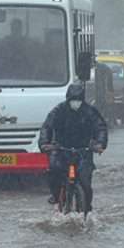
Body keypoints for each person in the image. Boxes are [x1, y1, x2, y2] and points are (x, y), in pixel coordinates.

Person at [39, 82, 108, 211]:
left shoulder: (90, 111)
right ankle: (56, 196)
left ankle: (86, 207)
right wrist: (44, 143)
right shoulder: (59, 110)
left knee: (85, 182)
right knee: (53, 171)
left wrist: (100, 144)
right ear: (68, 99)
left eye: (78, 100)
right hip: (62, 149)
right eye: (73, 100)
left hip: (83, 151)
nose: (75, 103)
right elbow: (47, 127)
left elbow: (101, 128)